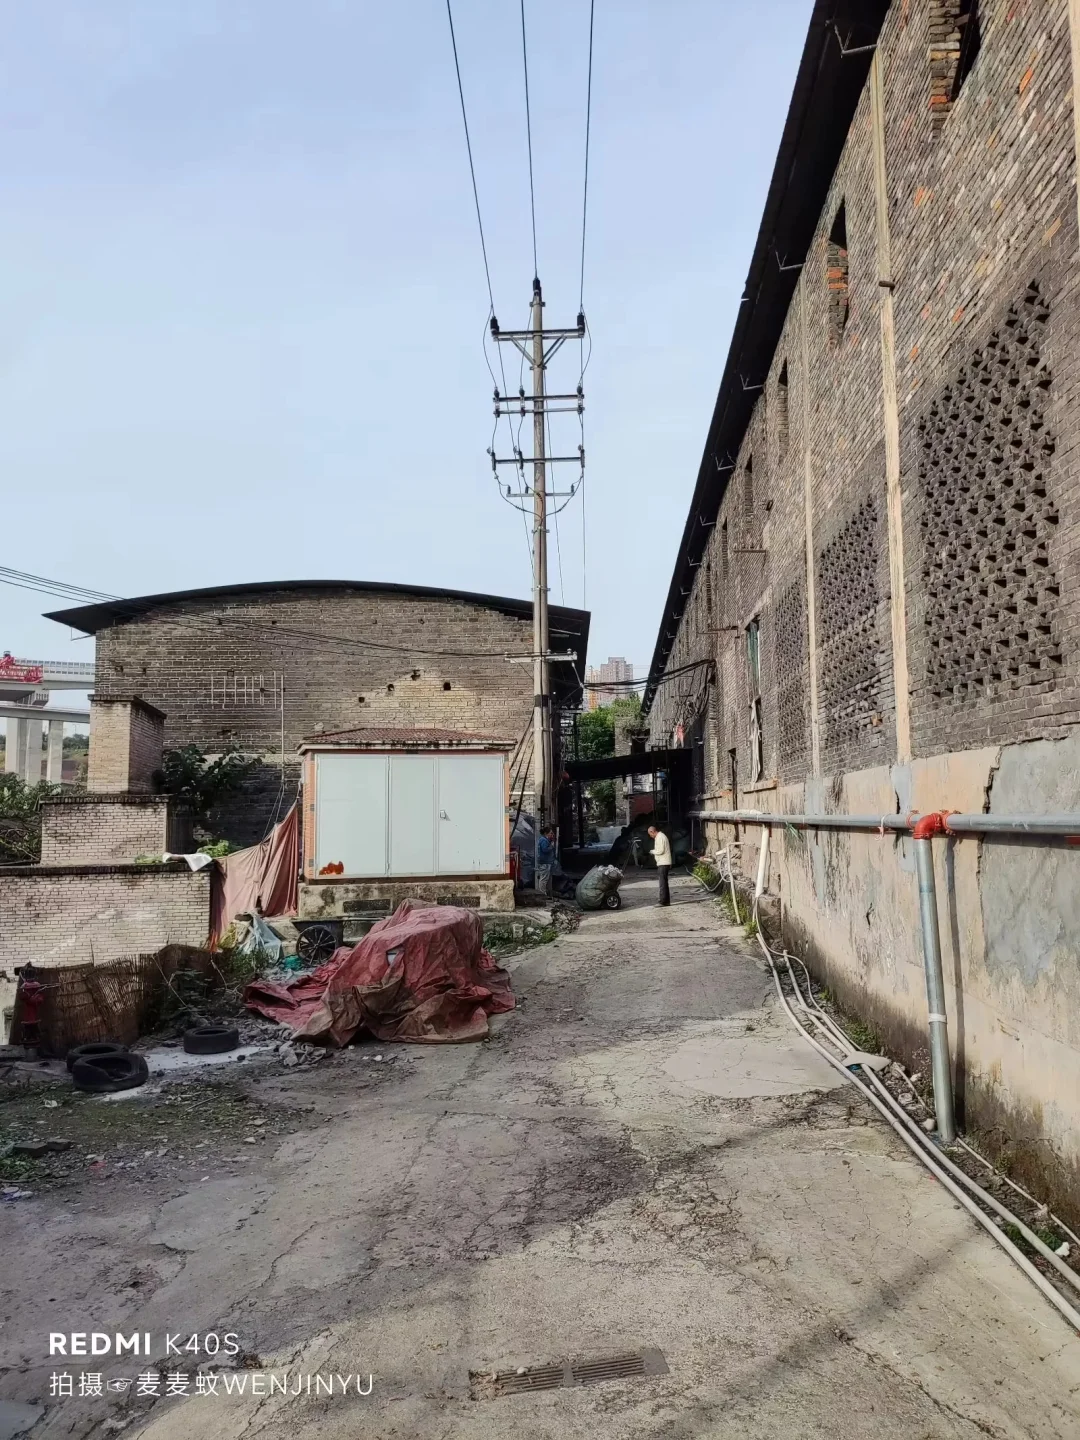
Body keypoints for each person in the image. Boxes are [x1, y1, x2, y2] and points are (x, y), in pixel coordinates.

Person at [648, 825, 672, 906]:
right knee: (664, 882)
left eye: (650, 834)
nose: (650, 836)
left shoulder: (660, 837)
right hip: (663, 862)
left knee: (662, 883)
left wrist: (652, 851)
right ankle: (666, 901)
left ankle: (663, 901)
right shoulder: (660, 836)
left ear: (652, 831)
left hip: (663, 863)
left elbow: (661, 850)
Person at [536, 826, 555, 897]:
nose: (552, 834)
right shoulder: (543, 840)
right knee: (544, 879)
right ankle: (542, 894)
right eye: (551, 833)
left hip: (546, 862)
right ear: (546, 833)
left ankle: (544, 894)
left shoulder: (545, 840)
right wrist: (551, 846)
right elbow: (545, 850)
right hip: (545, 862)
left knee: (545, 879)